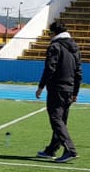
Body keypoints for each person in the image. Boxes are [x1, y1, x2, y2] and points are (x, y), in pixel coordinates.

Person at [35, 20, 83, 163]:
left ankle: (70, 150)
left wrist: (41, 86)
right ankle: (52, 149)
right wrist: (75, 92)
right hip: (69, 88)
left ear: (54, 33)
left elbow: (50, 68)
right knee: (61, 120)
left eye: (50, 33)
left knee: (56, 119)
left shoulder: (55, 46)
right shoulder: (75, 47)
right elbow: (78, 72)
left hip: (57, 88)